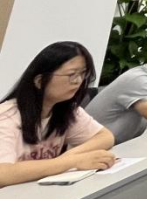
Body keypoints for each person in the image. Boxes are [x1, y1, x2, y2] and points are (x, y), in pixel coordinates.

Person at [0, 42, 116, 187]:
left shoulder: (65, 109)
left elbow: (105, 137)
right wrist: (71, 162)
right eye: (71, 75)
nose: (78, 81)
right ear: (40, 81)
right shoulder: (6, 116)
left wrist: (69, 157)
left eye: (82, 74)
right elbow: (3, 174)